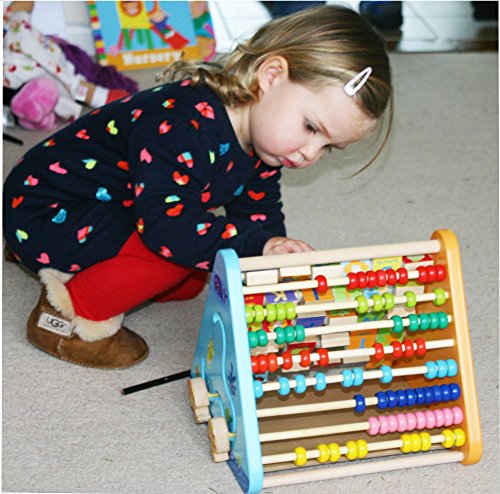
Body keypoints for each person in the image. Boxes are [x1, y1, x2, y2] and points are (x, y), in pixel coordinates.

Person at [3, 5, 393, 370]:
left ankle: (98, 265)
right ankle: (69, 315)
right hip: (45, 209)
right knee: (172, 255)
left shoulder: (267, 143)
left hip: (106, 203)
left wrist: (275, 271)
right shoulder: (180, 125)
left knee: (193, 277)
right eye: (311, 128)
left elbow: (260, 216)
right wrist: (252, 245)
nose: (310, 153)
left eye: (329, 147)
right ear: (271, 76)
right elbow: (167, 230)